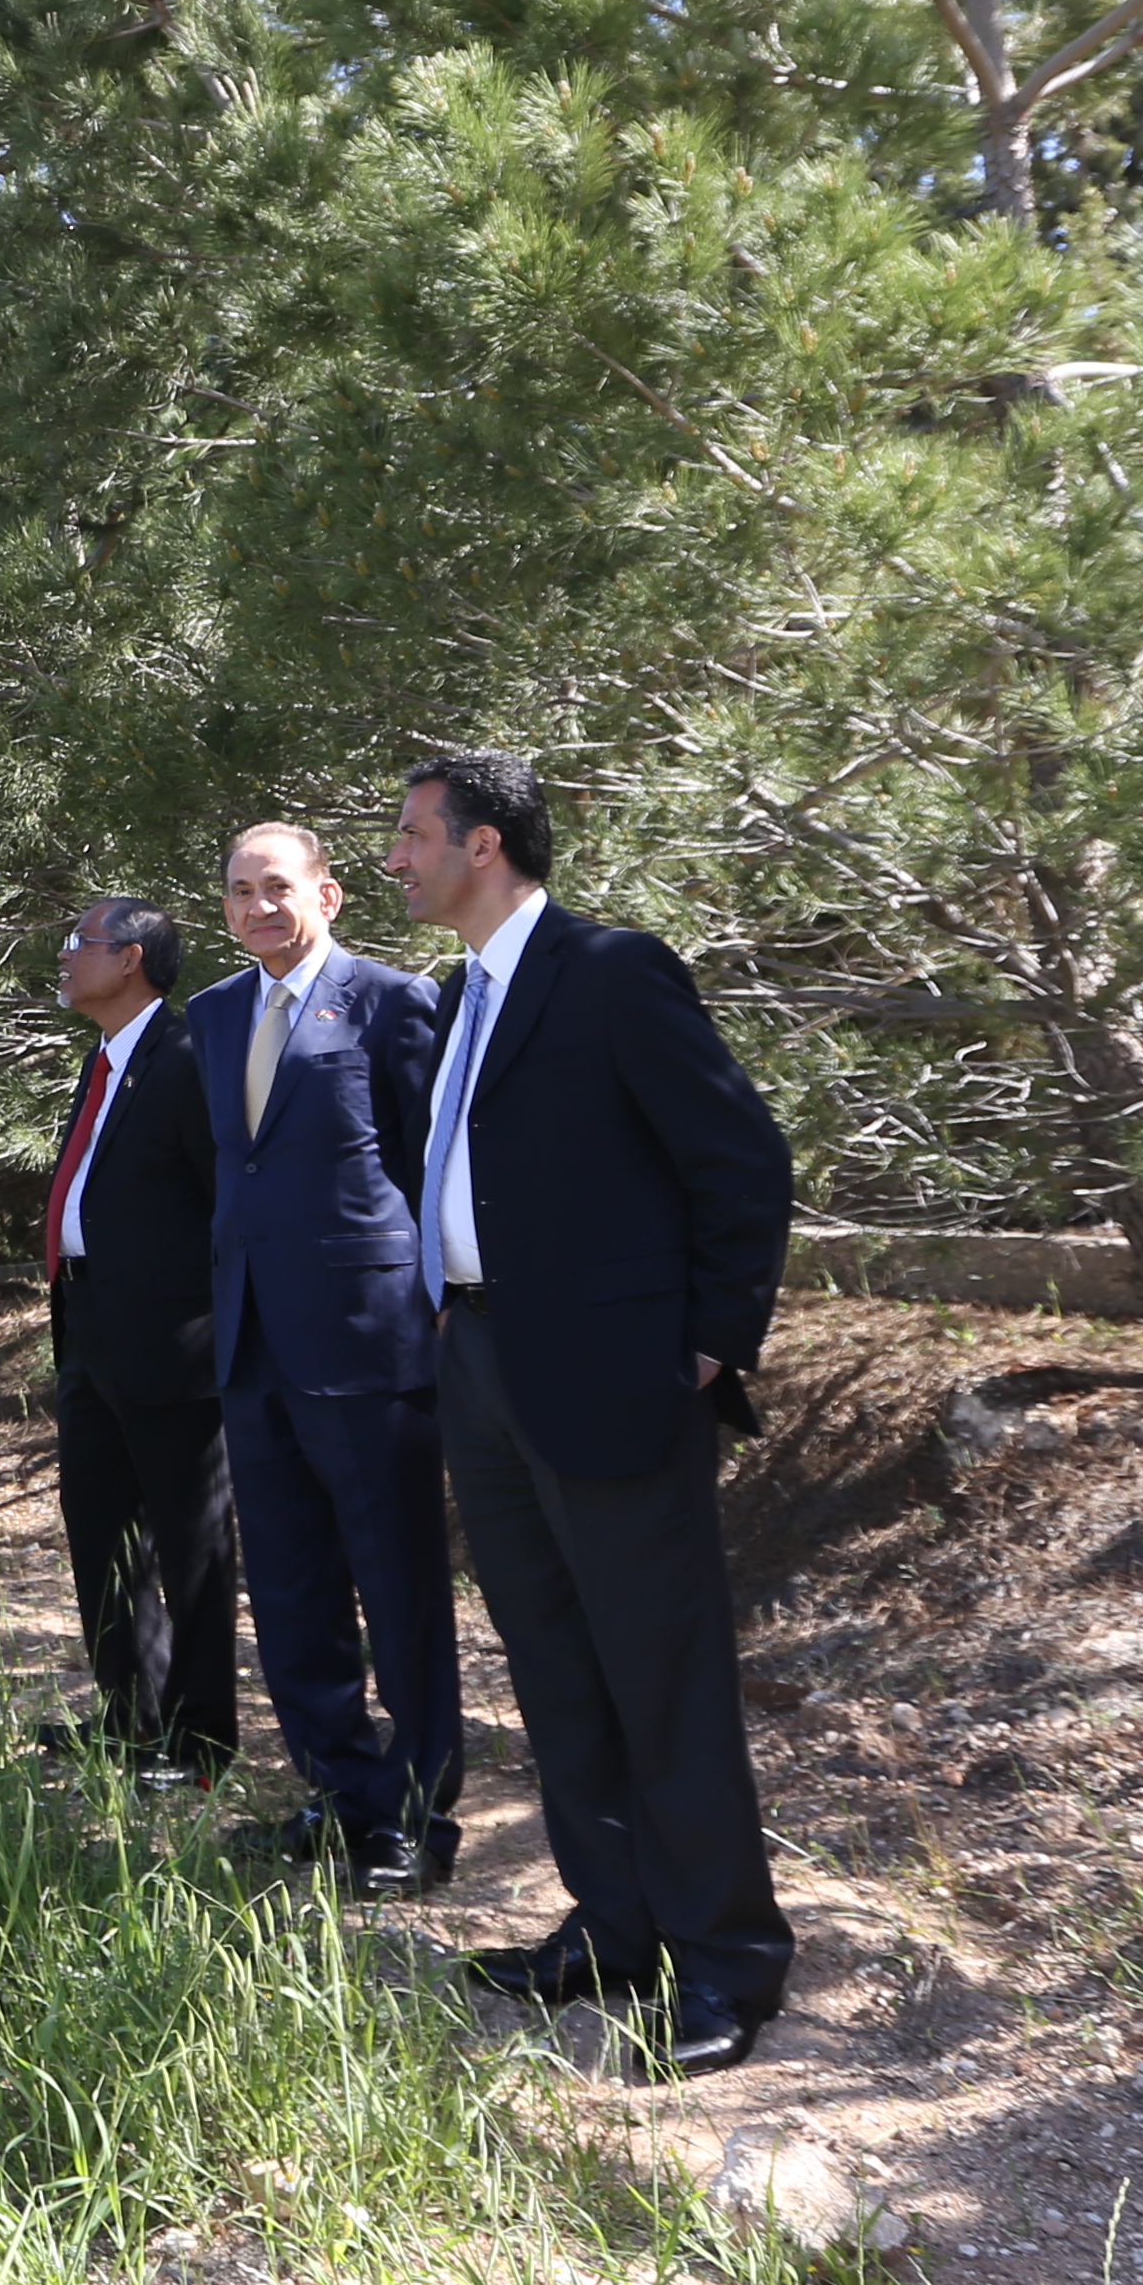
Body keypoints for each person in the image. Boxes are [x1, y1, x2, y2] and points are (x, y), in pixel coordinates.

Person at [387, 748, 801, 2074]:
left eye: (411, 835)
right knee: (558, 1671)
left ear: (485, 844)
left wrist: (705, 1343)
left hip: (615, 1379)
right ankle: (615, 1929)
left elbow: (741, 1158)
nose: (395, 859)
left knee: (662, 1681)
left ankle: (728, 1963)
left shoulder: (613, 972)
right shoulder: (462, 996)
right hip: (484, 1369)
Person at [194, 821, 457, 1892]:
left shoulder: (394, 1004)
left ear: (330, 895)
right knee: (293, 1594)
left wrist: (436, 1304)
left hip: (365, 1341)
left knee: (397, 1591)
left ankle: (422, 1818)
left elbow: (430, 1164)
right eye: (239, 892)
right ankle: (343, 1800)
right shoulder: (211, 1017)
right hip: (253, 1345)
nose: (259, 906)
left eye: (278, 887)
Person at [39, 893, 236, 1778]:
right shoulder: (102, 1062)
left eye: (78, 943)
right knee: (101, 1530)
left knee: (189, 1545)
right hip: (88, 1332)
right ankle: (131, 1716)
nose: (64, 956)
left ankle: (199, 1741)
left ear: (130, 959)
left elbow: (226, 1205)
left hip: (173, 1344)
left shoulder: (188, 1057)